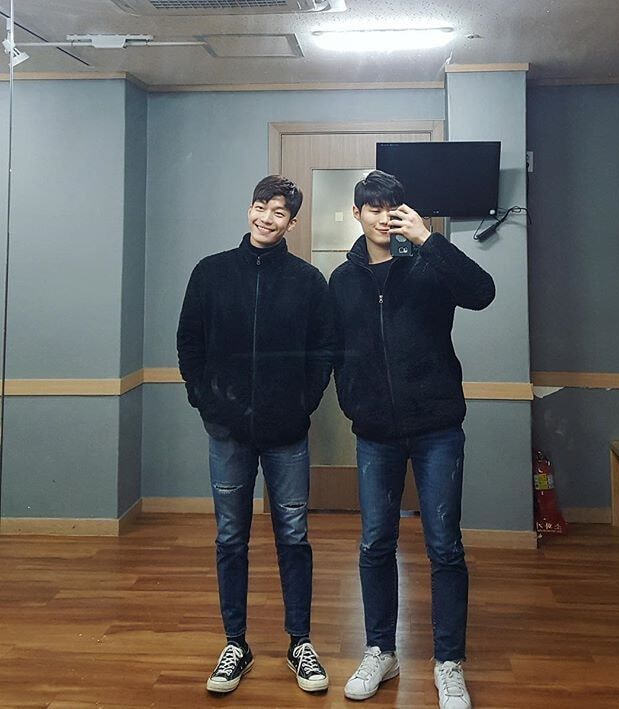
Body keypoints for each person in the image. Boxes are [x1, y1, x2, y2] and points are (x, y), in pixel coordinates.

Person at [329, 170, 495, 708]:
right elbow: (335, 350)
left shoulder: (429, 265)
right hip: (374, 433)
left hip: (437, 429)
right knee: (375, 543)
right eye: (372, 208)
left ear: (405, 212)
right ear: (357, 214)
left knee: (444, 546)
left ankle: (449, 663)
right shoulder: (342, 280)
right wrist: (353, 402)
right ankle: (381, 650)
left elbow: (482, 293)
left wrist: (428, 239)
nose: (383, 217)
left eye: (391, 207)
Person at [177, 175, 333, 695]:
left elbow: (323, 350)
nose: (268, 218)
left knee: (294, 536)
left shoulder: (308, 281)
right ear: (250, 209)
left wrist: (303, 402)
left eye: (279, 212)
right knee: (230, 537)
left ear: (293, 222)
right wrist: (205, 400)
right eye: (261, 207)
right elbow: (189, 342)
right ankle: (235, 644)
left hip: (287, 432)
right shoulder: (211, 272)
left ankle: (300, 643)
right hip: (227, 432)